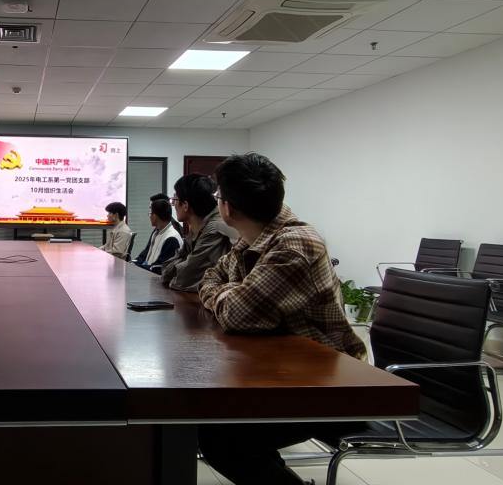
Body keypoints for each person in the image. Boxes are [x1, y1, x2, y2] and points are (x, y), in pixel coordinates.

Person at [196, 153, 367, 485]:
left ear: (227, 207)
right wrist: (232, 292)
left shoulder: (294, 245)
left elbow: (236, 314)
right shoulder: (255, 236)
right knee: (220, 426)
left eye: (218, 196)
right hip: (287, 372)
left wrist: (228, 294)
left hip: (332, 385)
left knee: (222, 438)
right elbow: (210, 278)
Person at [159, 174, 230, 292]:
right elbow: (166, 269)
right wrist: (177, 269)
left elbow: (184, 279)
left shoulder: (215, 228)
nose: (173, 204)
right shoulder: (196, 227)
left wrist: (175, 271)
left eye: (175, 199)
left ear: (185, 206)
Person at [132, 199, 182, 273]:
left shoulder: (172, 238)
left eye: (150, 213)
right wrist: (133, 263)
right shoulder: (156, 232)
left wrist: (137, 268)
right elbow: (145, 253)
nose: (149, 216)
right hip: (149, 274)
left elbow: (159, 267)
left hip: (158, 278)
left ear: (155, 216)